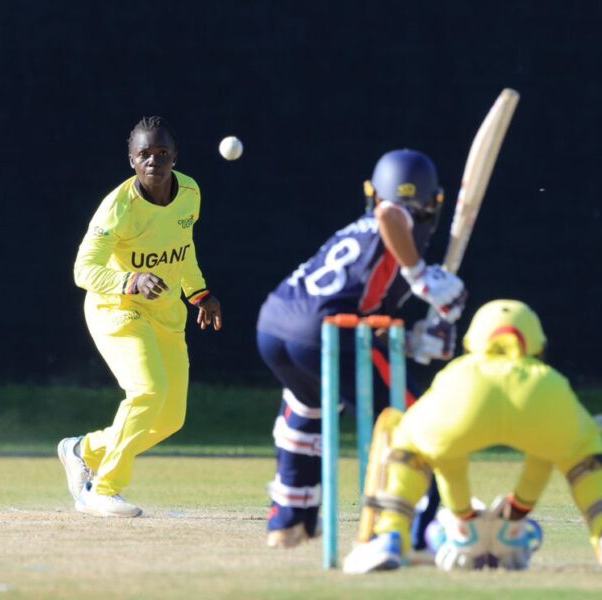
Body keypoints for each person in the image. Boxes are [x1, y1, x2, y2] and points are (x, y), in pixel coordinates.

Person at [256, 149, 466, 548]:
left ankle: (289, 520)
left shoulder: (356, 233)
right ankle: (418, 528)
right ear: (433, 201)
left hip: (273, 326)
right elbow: (392, 214)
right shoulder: (392, 222)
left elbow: (367, 315)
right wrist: (421, 276)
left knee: (306, 406)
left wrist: (417, 338)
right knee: (414, 420)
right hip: (321, 333)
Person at [343, 299, 602, 572]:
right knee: (586, 455)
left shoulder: (457, 373)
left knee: (407, 440)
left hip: (468, 389)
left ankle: (389, 537)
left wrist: (463, 515)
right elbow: (544, 456)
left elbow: (446, 456)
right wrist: (516, 513)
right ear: (536, 344)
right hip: (541, 392)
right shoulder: (550, 379)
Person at [58, 116, 222, 518]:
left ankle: (83, 449)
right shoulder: (117, 209)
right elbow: (83, 270)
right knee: (147, 393)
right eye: (145, 154)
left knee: (169, 418)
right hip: (117, 310)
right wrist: (131, 280)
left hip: (167, 314)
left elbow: (182, 249)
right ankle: (101, 488)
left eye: (162, 153)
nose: (154, 161)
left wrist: (199, 293)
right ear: (131, 160)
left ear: (174, 157)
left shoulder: (190, 193)